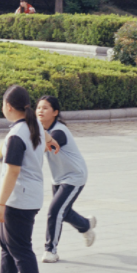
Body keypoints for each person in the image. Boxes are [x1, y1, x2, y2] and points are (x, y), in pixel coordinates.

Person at [0, 85, 45, 273]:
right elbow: (46, 136)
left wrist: (0, 204)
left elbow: (12, 171)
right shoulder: (34, 126)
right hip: (29, 196)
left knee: (20, 248)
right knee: (8, 245)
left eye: (3, 104)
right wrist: (49, 142)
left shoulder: (16, 135)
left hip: (18, 199)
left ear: (9, 107)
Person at [36, 95, 96, 262]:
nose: (40, 110)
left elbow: (47, 145)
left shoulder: (59, 131)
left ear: (55, 112)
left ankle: (51, 250)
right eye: (39, 107)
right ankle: (86, 225)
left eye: (45, 108)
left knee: (55, 211)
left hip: (74, 176)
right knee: (64, 211)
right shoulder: (41, 128)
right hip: (59, 177)